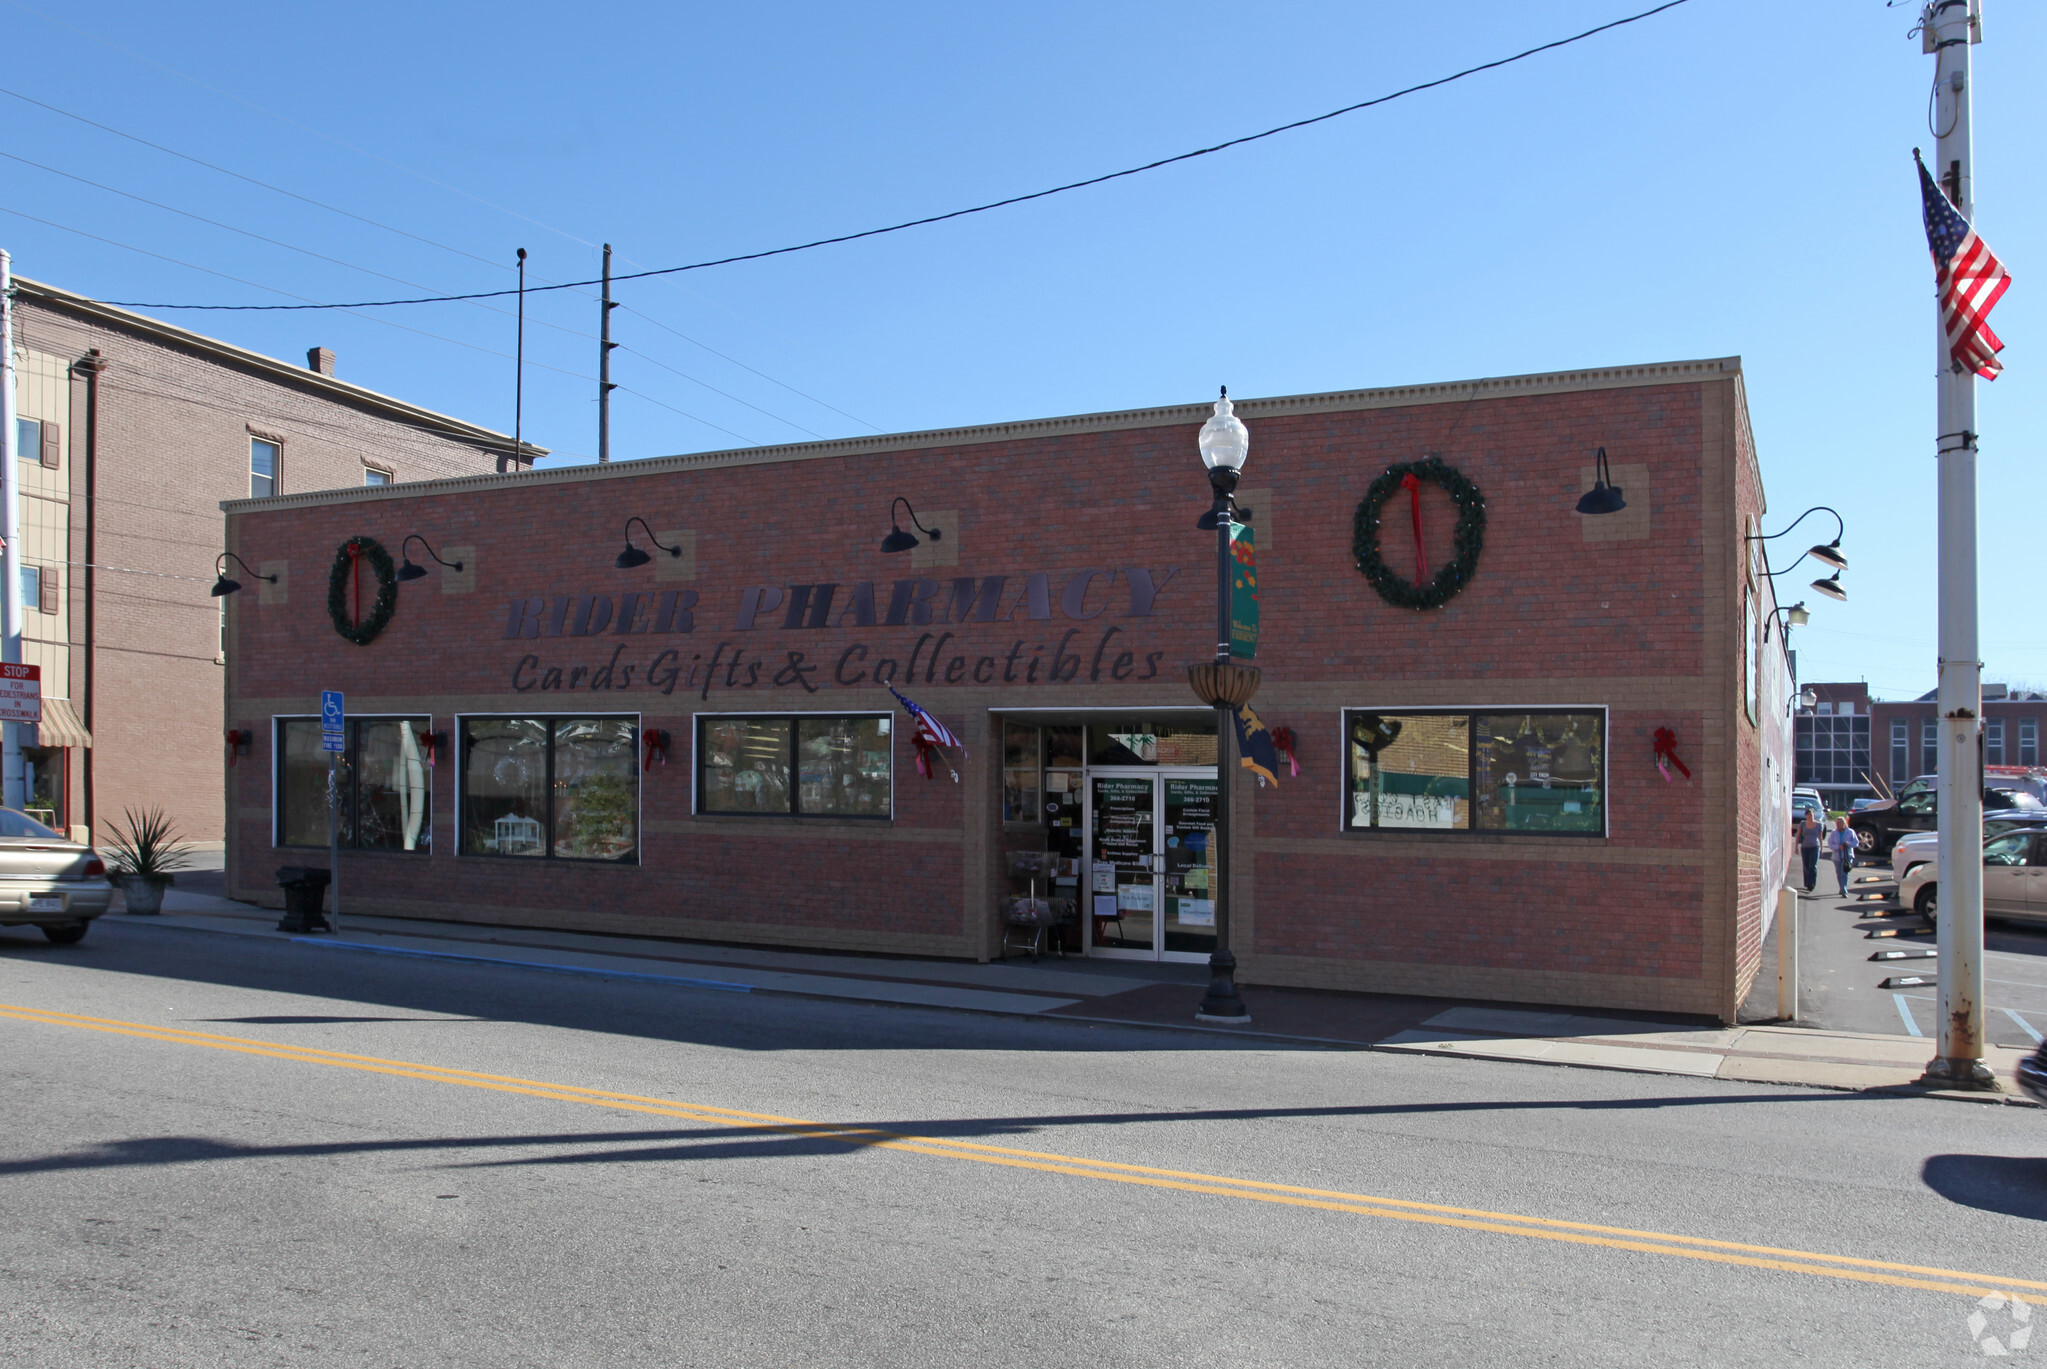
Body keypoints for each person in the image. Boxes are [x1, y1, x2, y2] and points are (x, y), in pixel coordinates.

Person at [1826, 816, 1859, 895]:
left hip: (1847, 856)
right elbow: (1830, 844)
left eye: (1839, 824)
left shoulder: (1850, 832)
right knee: (1839, 873)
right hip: (1836, 856)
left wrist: (1848, 844)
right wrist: (1838, 847)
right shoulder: (1834, 833)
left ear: (1844, 824)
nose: (1837, 825)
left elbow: (1856, 843)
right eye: (1836, 824)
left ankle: (1844, 889)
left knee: (1845, 873)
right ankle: (1842, 888)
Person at [1798, 811, 1824, 893]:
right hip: (1805, 847)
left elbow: (1820, 837)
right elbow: (1798, 835)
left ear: (1814, 815)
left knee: (1813, 866)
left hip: (1815, 846)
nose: (1810, 816)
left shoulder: (1819, 824)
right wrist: (1796, 847)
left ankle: (1811, 883)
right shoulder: (1802, 824)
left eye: (1811, 814)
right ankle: (1807, 882)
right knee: (1806, 865)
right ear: (1806, 816)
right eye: (1808, 814)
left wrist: (1821, 848)